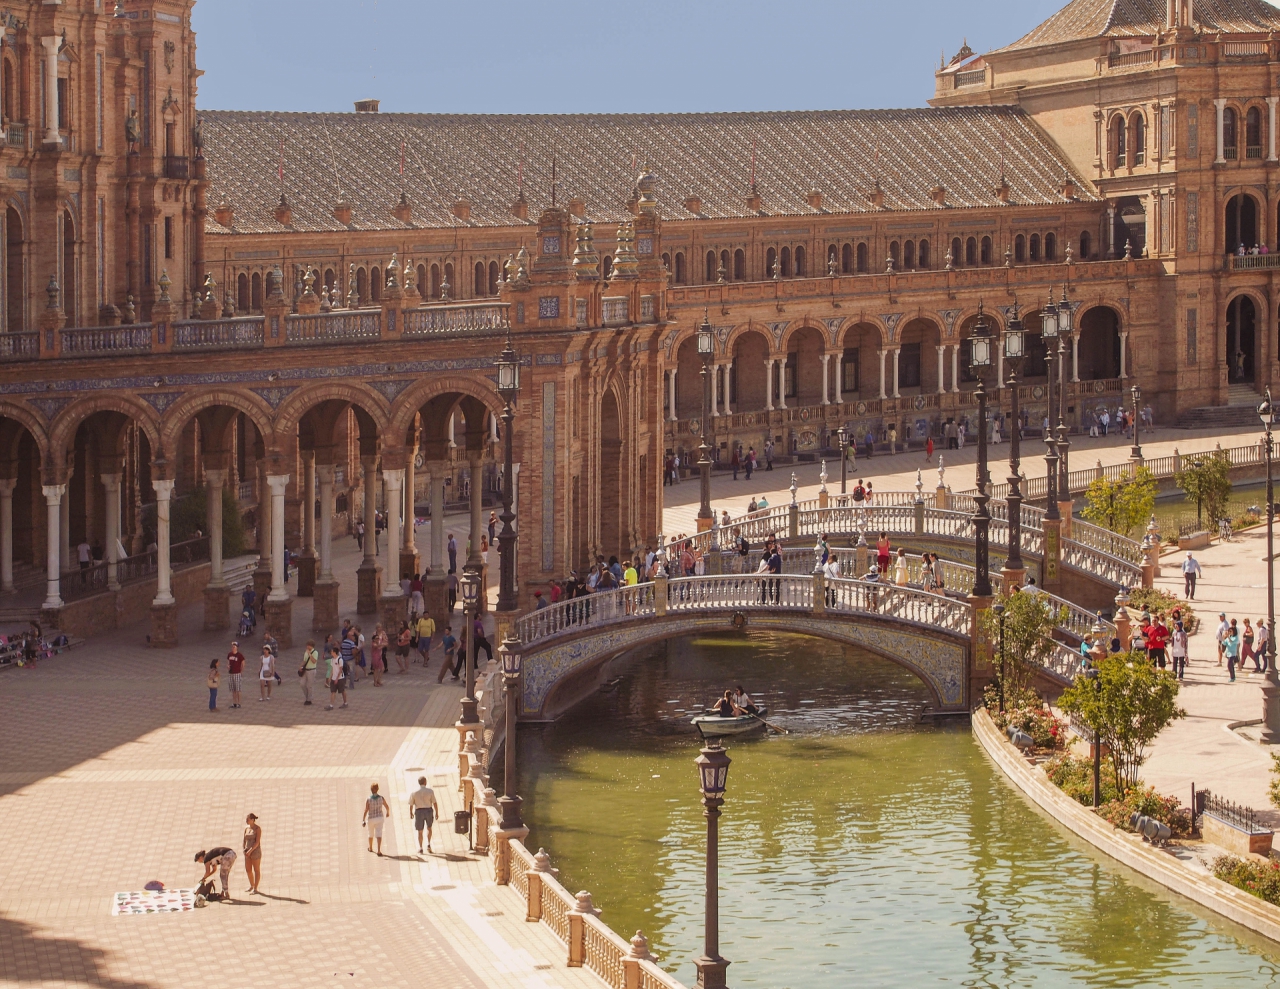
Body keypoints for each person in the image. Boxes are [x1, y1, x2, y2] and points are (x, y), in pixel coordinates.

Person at [409, 777, 440, 854]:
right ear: (425, 782)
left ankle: (420, 848)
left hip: (419, 811)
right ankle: (428, 844)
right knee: (429, 828)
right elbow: (434, 803)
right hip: (428, 810)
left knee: (420, 831)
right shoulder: (430, 791)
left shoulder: (414, 792)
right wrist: (437, 812)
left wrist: (411, 813)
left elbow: (411, 804)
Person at [363, 783, 389, 856]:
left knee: (370, 833)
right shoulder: (381, 798)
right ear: (377, 789)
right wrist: (388, 812)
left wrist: (363, 819)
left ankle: (370, 847)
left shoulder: (368, 799)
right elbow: (386, 806)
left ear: (371, 790)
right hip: (379, 818)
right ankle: (379, 850)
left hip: (371, 818)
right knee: (379, 833)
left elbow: (366, 809)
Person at [242, 813, 262, 894]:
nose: (247, 821)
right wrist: (244, 849)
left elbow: (257, 842)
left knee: (256, 870)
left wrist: (251, 850)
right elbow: (244, 840)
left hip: (255, 852)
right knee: (248, 869)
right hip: (247, 852)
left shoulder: (257, 829)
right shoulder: (246, 828)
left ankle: (256, 888)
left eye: (248, 819)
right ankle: (251, 885)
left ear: (253, 820)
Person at [226, 641, 245, 708]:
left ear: (237, 648)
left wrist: (241, 671)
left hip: (237, 673)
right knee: (233, 689)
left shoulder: (240, 655)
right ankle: (234, 702)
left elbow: (243, 663)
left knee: (238, 689)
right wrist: (228, 666)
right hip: (231, 673)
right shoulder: (229, 654)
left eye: (234, 647)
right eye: (232, 647)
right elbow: (228, 661)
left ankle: (239, 703)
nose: (233, 648)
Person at [299, 640, 319, 705]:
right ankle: (307, 696)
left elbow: (314, 661)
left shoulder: (315, 652)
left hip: (311, 670)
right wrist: (300, 666)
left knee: (309, 686)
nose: (307, 646)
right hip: (305, 670)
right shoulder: (306, 652)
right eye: (307, 645)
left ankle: (309, 699)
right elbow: (304, 660)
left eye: (309, 645)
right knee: (302, 684)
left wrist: (309, 654)